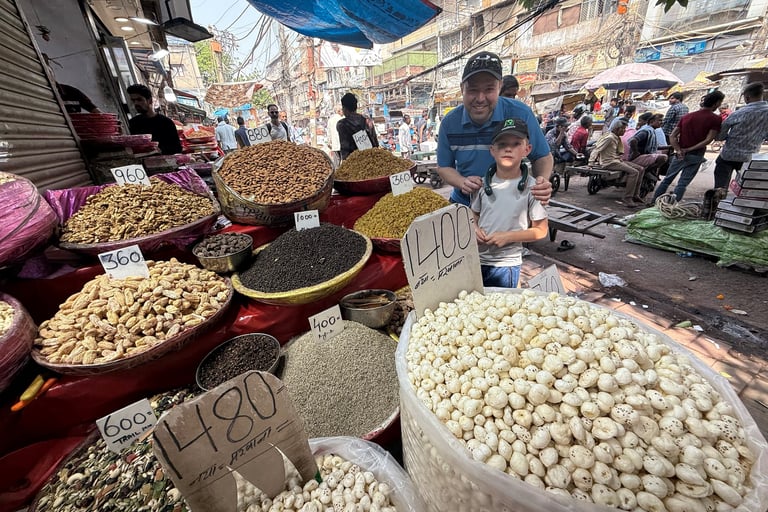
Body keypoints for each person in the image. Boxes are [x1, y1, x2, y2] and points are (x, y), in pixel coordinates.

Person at [437, 51, 553, 206]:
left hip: (511, 205)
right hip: (465, 205)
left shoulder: (520, 114)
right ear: (462, 89)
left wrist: (542, 181)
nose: (480, 98)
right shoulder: (449, 123)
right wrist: (462, 182)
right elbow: (444, 167)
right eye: (472, 90)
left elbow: (543, 157)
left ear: (499, 87)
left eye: (489, 89)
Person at [471, 118, 548, 289]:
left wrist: (508, 237)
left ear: (527, 149)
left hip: (506, 264)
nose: (508, 148)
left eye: (515, 144)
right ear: (492, 150)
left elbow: (541, 230)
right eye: (502, 144)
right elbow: (473, 215)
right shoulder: (482, 184)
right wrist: (474, 228)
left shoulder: (533, 187)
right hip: (477, 260)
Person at [652, 91, 724, 202]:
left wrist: (678, 150)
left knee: (667, 180)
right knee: (682, 184)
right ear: (716, 103)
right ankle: (671, 206)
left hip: (680, 154)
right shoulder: (715, 119)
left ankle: (654, 202)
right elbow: (708, 140)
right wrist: (688, 149)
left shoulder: (687, 117)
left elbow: (672, 136)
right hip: (696, 154)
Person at [713, 83, 768, 189]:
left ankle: (717, 201)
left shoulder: (738, 113)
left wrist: (722, 137)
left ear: (747, 97)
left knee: (720, 188)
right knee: (744, 189)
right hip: (749, 157)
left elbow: (720, 136)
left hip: (728, 155)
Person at [588, 118, 646, 207]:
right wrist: (591, 163)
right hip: (609, 162)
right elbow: (597, 149)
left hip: (616, 160)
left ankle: (635, 195)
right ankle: (628, 197)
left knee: (641, 169)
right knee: (634, 172)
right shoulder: (610, 138)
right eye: (622, 129)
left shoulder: (616, 138)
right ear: (616, 129)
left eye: (624, 129)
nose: (624, 131)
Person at [127, 84, 182, 155]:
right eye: (133, 100)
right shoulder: (133, 123)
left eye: (139, 99)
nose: (136, 103)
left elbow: (177, 148)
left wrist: (160, 150)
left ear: (150, 100)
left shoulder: (166, 122)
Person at [336, 92, 378, 160]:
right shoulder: (367, 120)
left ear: (344, 108)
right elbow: (375, 142)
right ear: (355, 107)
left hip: (354, 162)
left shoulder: (342, 124)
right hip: (371, 159)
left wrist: (345, 164)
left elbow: (344, 147)